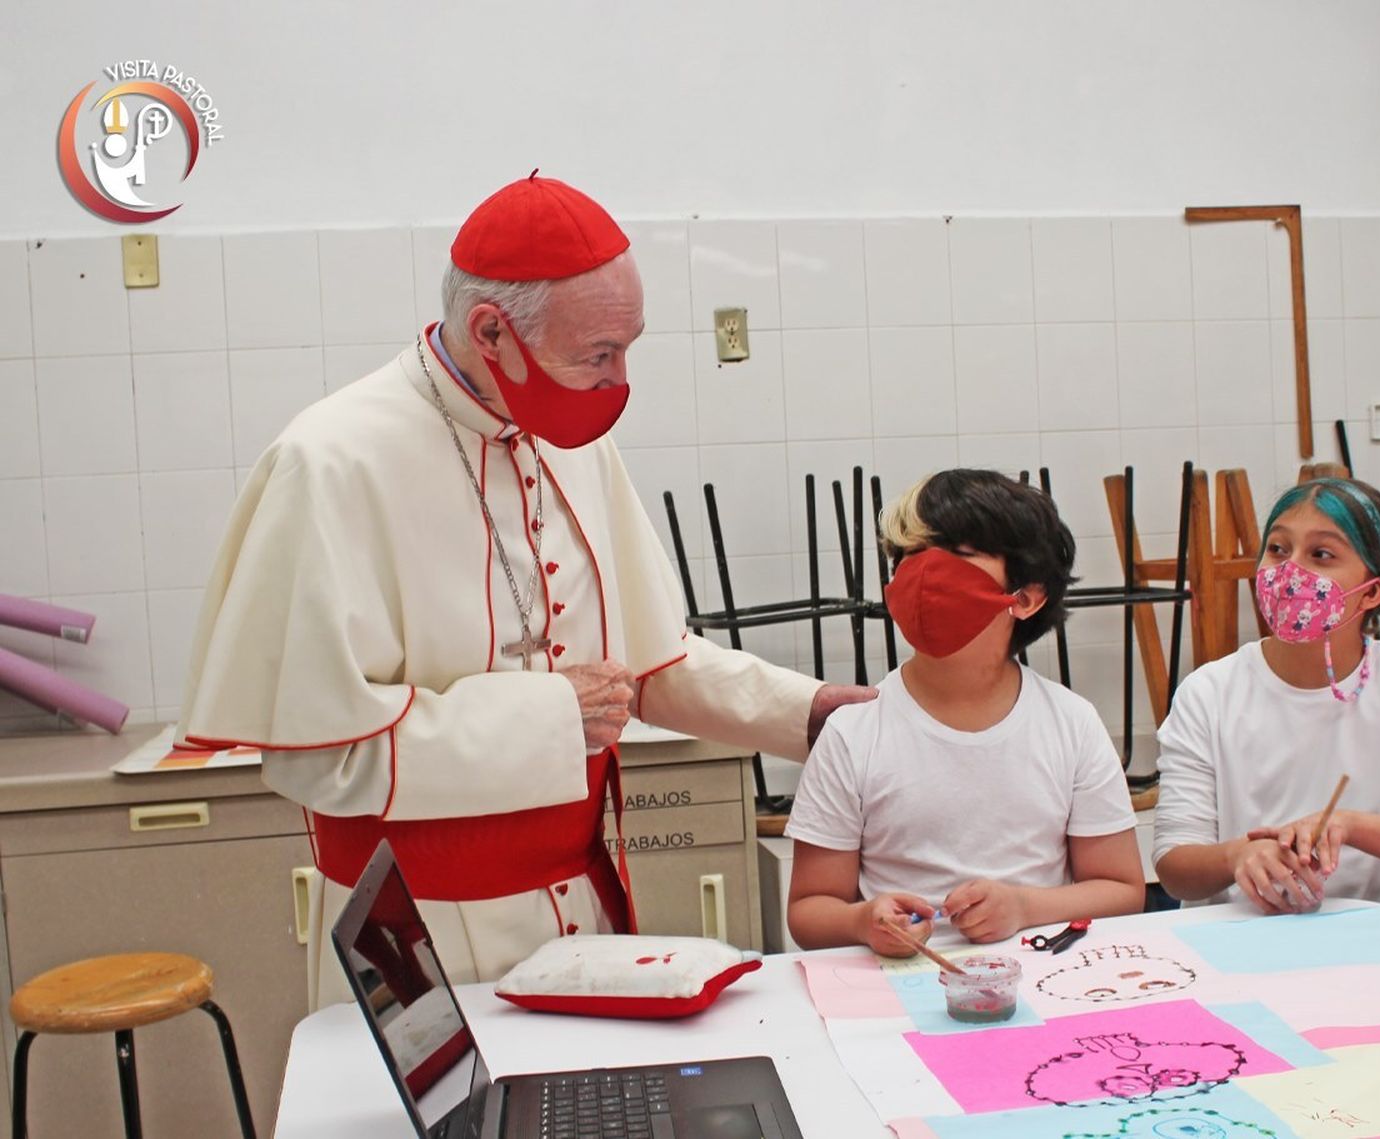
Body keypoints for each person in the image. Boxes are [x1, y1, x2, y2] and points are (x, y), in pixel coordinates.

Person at [177, 173, 873, 1007]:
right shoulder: (332, 462)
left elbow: (647, 665)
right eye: (598, 355)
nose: (617, 381)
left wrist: (815, 713)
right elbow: (324, 754)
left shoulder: (567, 435)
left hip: (581, 910)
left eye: (628, 348)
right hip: (421, 936)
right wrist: (549, 715)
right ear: (490, 331)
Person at [784, 469, 1145, 956]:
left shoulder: (1071, 724)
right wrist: (861, 920)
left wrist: (1022, 906)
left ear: (1026, 597)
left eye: (958, 555)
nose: (927, 572)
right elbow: (809, 911)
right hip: (896, 987)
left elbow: (1122, 889)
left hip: (1044, 973)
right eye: (911, 555)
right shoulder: (854, 733)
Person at [1153, 477, 1380, 915]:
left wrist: (1349, 825)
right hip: (1238, 942)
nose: (1289, 570)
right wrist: (1237, 856)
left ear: (1372, 591)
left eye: (1321, 555)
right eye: (1278, 549)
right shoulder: (1209, 693)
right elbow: (1174, 864)